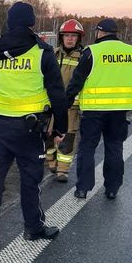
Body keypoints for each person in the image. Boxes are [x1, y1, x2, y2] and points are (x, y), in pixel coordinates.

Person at [0, 2, 68, 248]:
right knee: (30, 180)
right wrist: (60, 128)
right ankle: (33, 228)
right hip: (29, 129)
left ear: (8, 22)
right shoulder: (42, 52)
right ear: (31, 22)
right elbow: (57, 93)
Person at [66, 18, 132, 199]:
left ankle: (83, 188)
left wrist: (65, 102)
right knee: (114, 148)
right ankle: (112, 188)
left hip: (93, 111)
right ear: (115, 33)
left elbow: (76, 81)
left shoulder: (91, 52)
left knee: (87, 148)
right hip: (119, 112)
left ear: (100, 32)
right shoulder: (131, 52)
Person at [45, 19, 85, 182]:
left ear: (78, 38)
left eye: (73, 36)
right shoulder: (52, 55)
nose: (70, 39)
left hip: (72, 107)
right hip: (52, 104)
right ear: (61, 37)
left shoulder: (84, 57)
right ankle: (51, 162)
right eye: (67, 35)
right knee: (49, 135)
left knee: (67, 138)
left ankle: (63, 170)